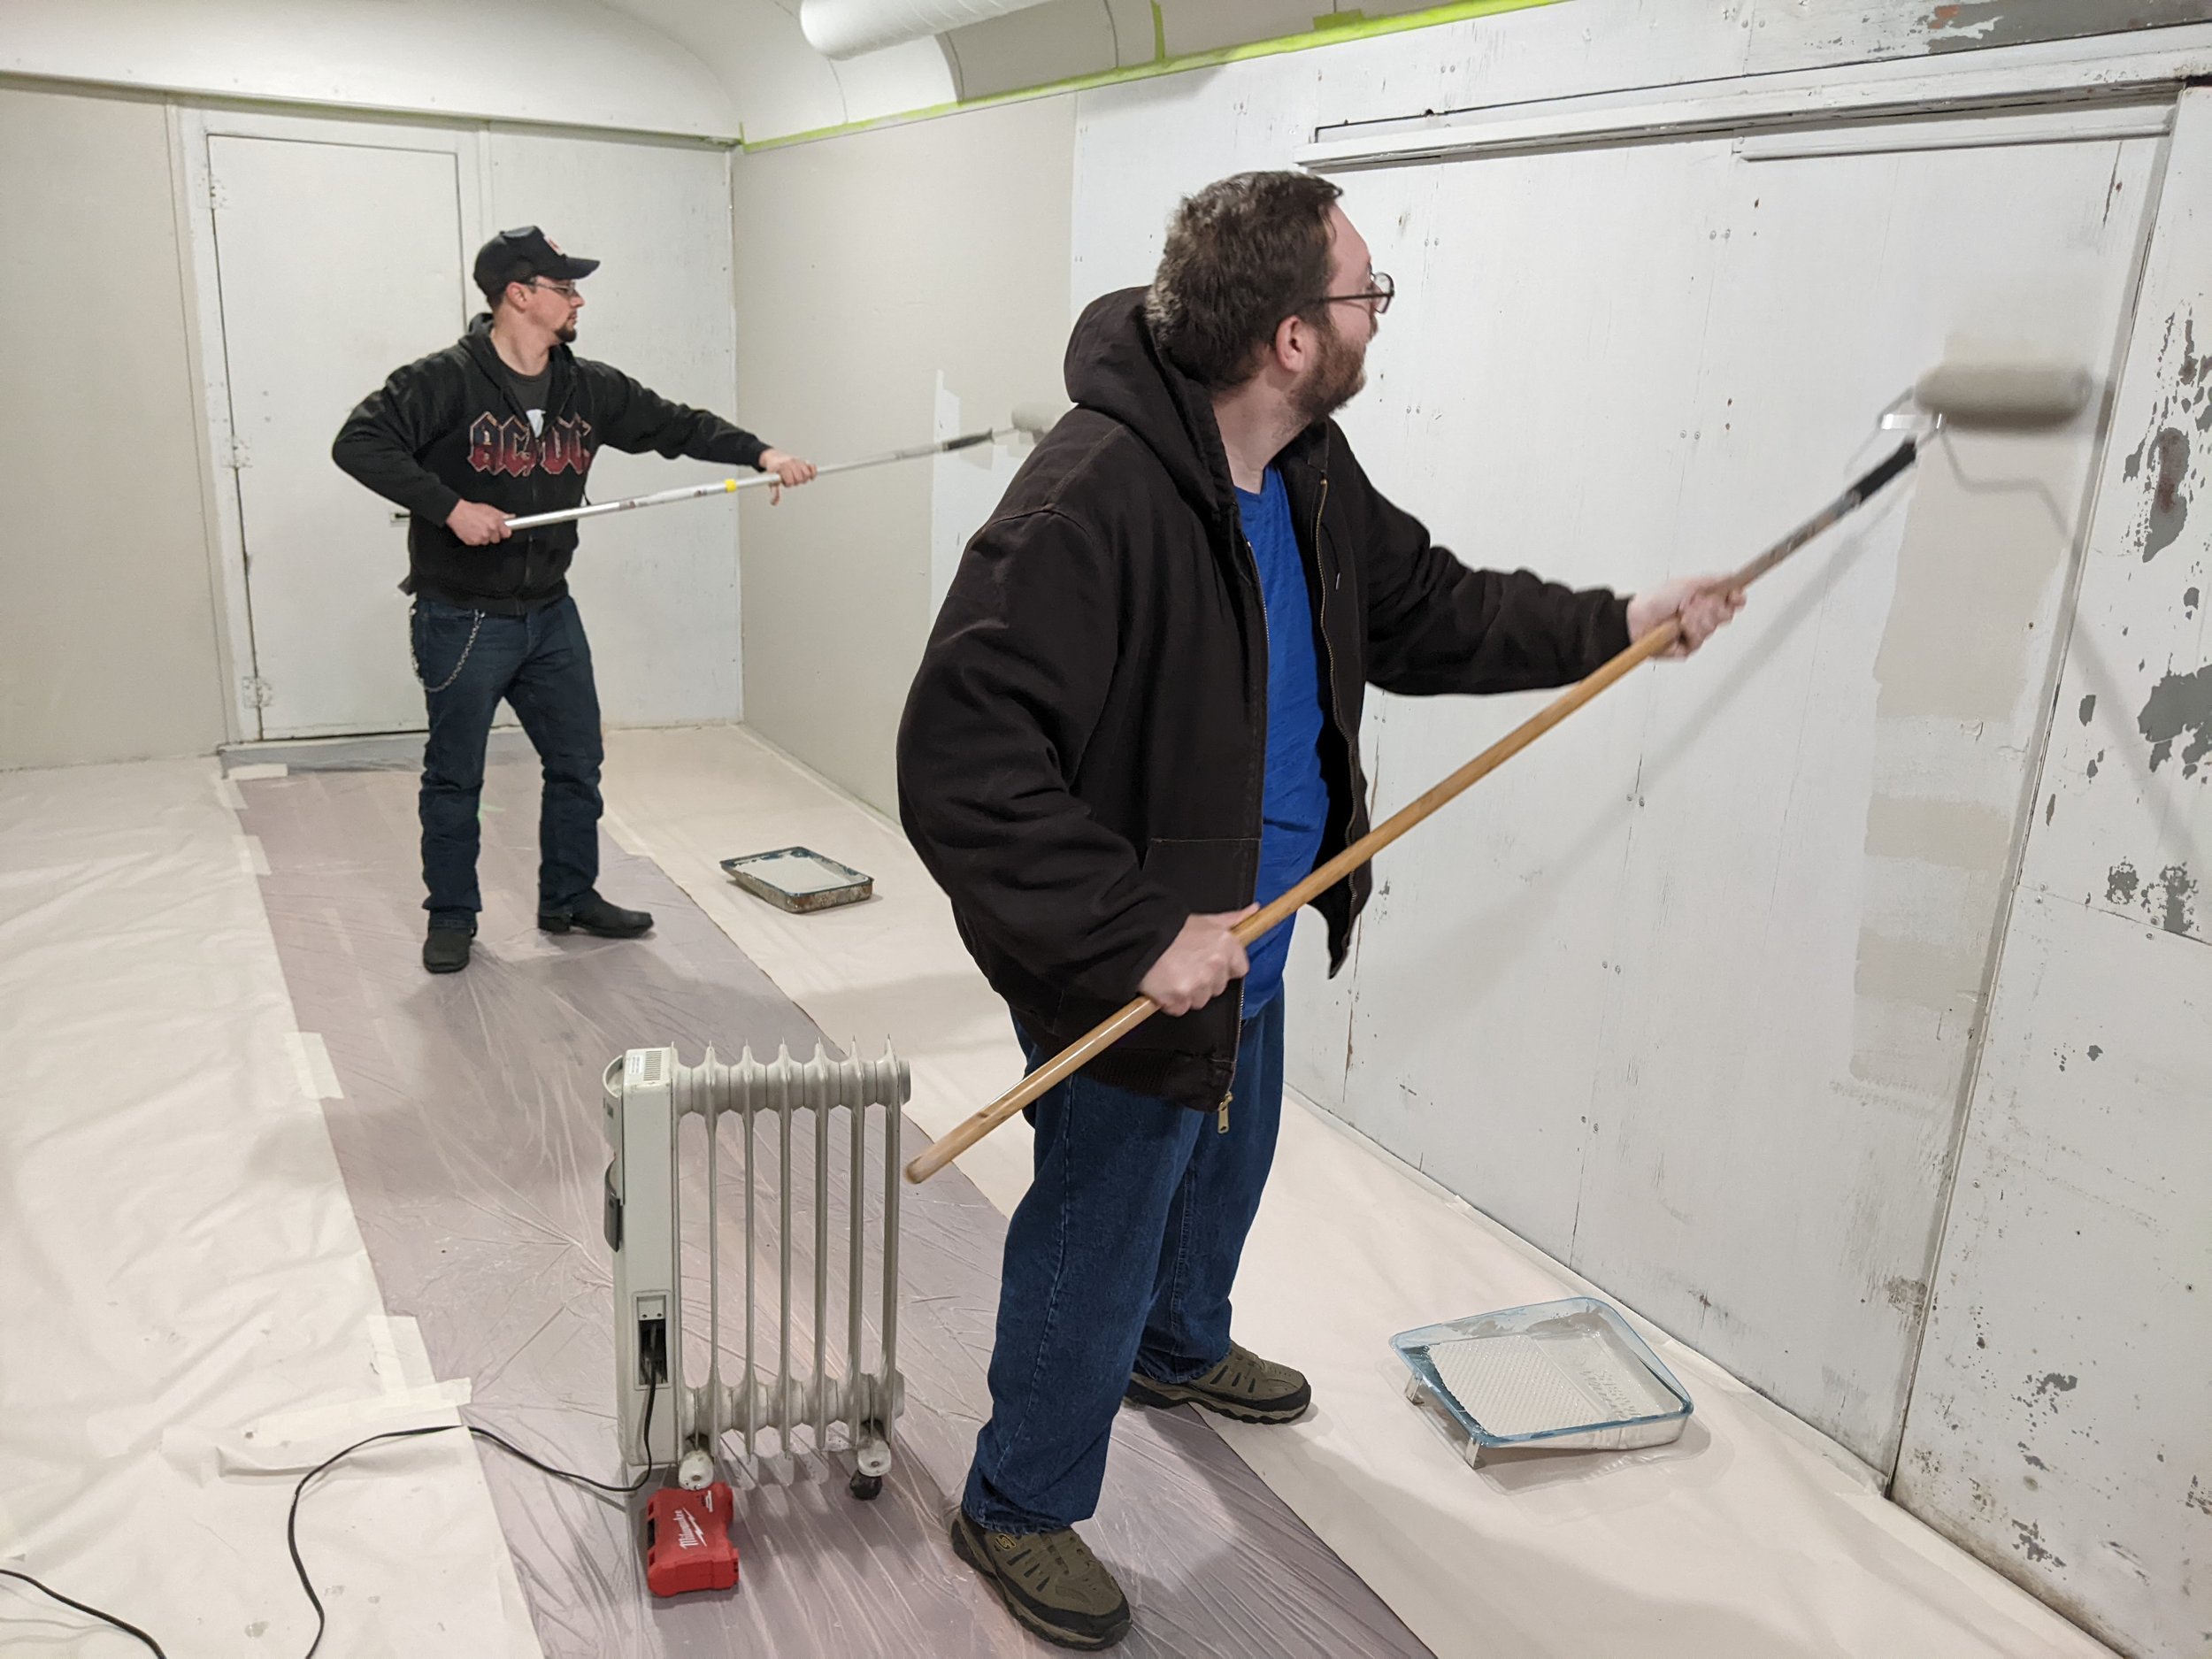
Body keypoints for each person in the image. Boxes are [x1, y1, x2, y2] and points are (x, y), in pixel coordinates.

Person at [895, 171, 1740, 1651]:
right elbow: (959, 760)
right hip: (1133, 960)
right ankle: (1018, 1502)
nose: (1376, 316)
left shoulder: (1312, 473)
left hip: (1258, 931)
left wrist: (1617, 623)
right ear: (1292, 334)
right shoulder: (1092, 498)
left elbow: (1433, 608)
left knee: (1226, 1171)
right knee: (1102, 1220)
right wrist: (1135, 935)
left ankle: (1178, 1349)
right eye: (1365, 294)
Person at [334, 227, 817, 974]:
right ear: (518, 295)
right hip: (461, 615)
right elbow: (359, 442)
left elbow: (674, 424)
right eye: (564, 287)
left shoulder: (586, 386)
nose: (578, 298)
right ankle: (453, 918)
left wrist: (762, 454)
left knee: (577, 761)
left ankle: (569, 896)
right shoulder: (441, 381)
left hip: (549, 611)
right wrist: (450, 507)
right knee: (456, 774)